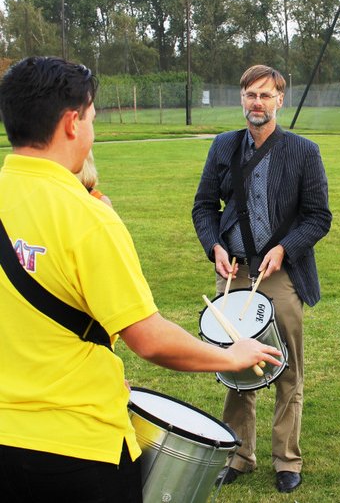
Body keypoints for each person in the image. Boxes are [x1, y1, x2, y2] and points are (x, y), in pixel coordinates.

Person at [0, 57, 282, 503]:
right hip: (79, 446)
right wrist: (231, 356)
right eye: (91, 117)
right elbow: (148, 339)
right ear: (73, 123)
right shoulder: (88, 218)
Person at [192, 64, 331, 494]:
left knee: (286, 368)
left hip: (280, 273)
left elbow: (318, 217)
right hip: (233, 271)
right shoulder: (223, 146)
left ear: (279, 100)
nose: (257, 103)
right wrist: (214, 245)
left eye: (266, 95)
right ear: (242, 99)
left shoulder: (304, 151)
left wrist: (285, 248)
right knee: (238, 370)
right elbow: (203, 207)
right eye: (251, 94)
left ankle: (287, 459)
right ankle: (239, 455)